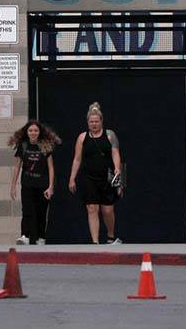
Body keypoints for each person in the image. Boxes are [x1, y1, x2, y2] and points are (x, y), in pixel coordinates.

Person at [68, 102, 124, 244]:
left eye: (96, 122)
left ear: (101, 121)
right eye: (91, 122)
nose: (94, 124)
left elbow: (116, 153)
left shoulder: (110, 135)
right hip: (88, 177)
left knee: (107, 211)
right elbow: (77, 159)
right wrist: (72, 178)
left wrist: (117, 169)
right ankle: (95, 241)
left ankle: (111, 236)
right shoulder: (82, 138)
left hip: (108, 177)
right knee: (92, 208)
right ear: (87, 122)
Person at [8, 119, 60, 245]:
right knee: (27, 210)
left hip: (42, 184)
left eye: (35, 130)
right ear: (27, 132)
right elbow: (17, 166)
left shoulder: (44, 145)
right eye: (30, 130)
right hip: (27, 183)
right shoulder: (24, 145)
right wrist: (13, 186)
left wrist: (50, 186)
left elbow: (51, 167)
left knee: (41, 212)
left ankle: (41, 237)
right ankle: (25, 235)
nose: (33, 133)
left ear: (39, 132)